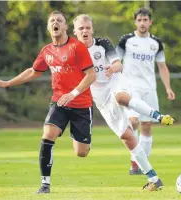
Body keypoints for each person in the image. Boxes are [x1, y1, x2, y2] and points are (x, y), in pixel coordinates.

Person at [0, 10, 96, 194]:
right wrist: (8, 83)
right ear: (48, 27)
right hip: (59, 103)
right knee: (47, 135)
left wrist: (74, 93)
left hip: (81, 105)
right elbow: (34, 71)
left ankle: (77, 136)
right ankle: (45, 184)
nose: (56, 23)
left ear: (65, 26)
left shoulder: (77, 47)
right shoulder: (47, 51)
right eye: (52, 21)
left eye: (59, 20)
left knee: (81, 152)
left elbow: (91, 75)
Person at [73, 14, 174, 191]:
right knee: (127, 137)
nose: (85, 31)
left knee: (121, 98)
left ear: (92, 29)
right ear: (75, 31)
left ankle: (158, 116)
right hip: (100, 97)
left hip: (116, 81)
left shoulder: (102, 43)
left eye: (87, 27)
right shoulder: (73, 52)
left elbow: (119, 64)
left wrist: (113, 68)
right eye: (81, 28)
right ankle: (154, 179)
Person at [116, 7, 176, 175]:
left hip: (149, 88)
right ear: (135, 22)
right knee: (133, 122)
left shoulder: (156, 43)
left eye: (145, 20)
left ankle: (141, 163)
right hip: (130, 87)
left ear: (150, 22)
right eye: (139, 20)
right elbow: (115, 60)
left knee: (147, 126)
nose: (142, 23)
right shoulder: (126, 40)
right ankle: (134, 160)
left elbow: (162, 67)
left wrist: (168, 87)